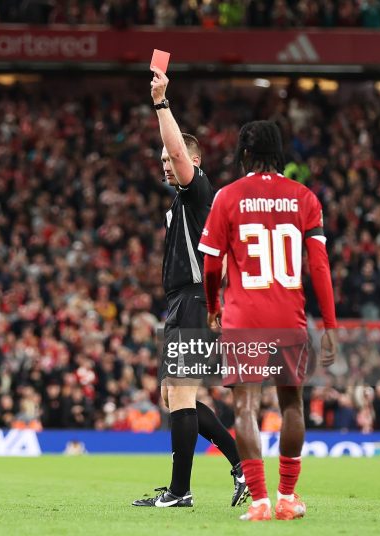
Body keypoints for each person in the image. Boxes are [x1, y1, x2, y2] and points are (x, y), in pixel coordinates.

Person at [199, 120, 337, 521]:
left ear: (244, 154)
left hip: (244, 317)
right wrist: (329, 325)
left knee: (245, 405)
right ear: (280, 155)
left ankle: (259, 501)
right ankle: (288, 498)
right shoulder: (305, 198)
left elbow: (211, 267)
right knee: (292, 403)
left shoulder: (227, 196)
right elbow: (320, 266)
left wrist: (212, 306)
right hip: (288, 317)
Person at [132, 67, 248, 509]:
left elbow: (179, 150)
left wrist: (161, 102)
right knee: (173, 395)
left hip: (194, 300)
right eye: (162, 162)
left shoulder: (198, 190)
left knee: (180, 393)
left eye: (172, 160)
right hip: (183, 302)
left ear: (191, 163)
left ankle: (180, 492)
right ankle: (240, 468)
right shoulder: (182, 202)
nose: (167, 165)